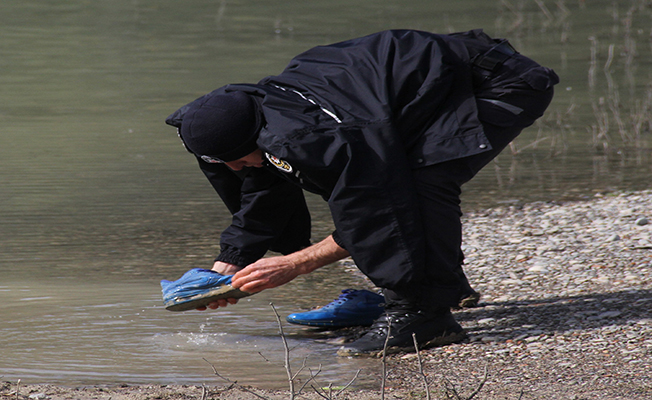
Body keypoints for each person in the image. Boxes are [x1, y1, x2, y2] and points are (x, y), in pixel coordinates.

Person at [163, 29, 559, 356]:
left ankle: (424, 316)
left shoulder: (316, 135)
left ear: (258, 135)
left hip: (497, 83)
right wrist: (226, 269)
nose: (232, 168)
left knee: (421, 182)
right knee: (394, 177)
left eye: (235, 158)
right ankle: (441, 286)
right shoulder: (263, 121)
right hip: (424, 89)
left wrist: (295, 264)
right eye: (221, 163)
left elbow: (379, 212)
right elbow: (265, 188)